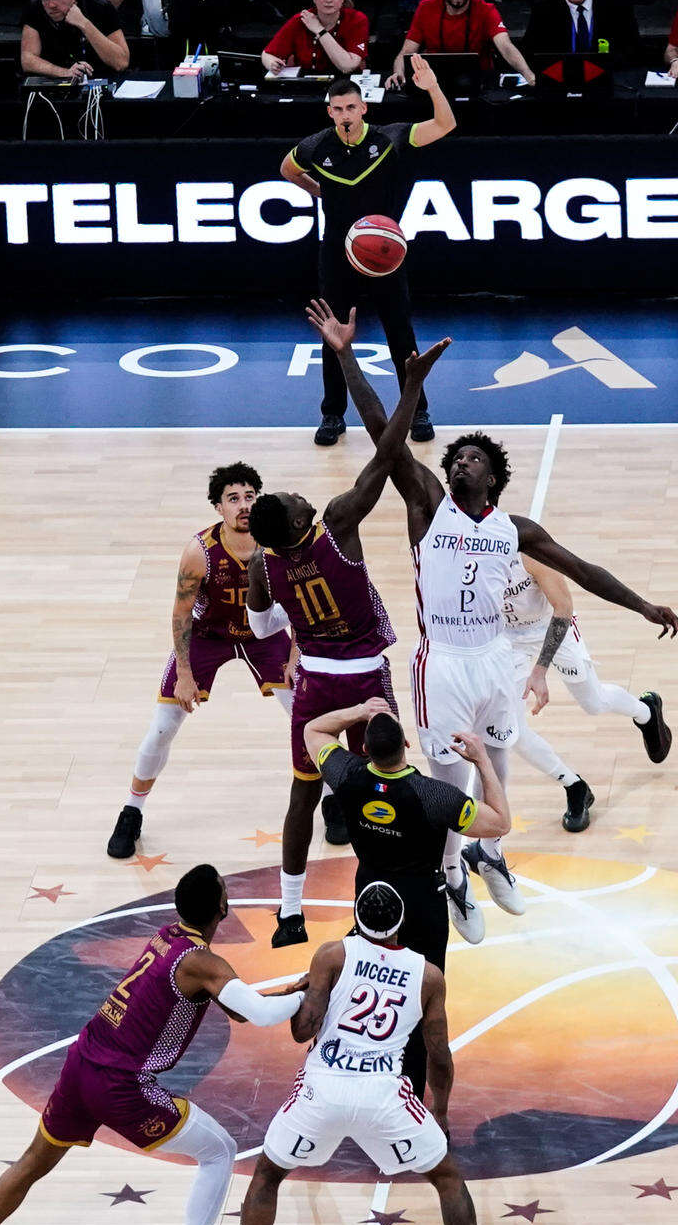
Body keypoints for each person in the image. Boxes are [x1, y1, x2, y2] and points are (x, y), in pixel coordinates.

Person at [319, 305, 678, 944]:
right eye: (454, 456)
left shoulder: (515, 530)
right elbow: (383, 434)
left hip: (492, 657)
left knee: (500, 765)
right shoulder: (430, 506)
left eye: (469, 459)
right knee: (448, 784)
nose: (457, 462)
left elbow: (586, 571)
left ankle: (488, 853)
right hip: (443, 663)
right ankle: (454, 872)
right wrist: (352, 358)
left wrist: (644, 606)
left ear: (492, 475)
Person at [0, 865, 300, 1225]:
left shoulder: (167, 937)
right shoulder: (202, 962)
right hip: (122, 1084)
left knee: (33, 1160)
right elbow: (262, 1017)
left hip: (82, 1064)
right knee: (220, 1151)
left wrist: (285, 992)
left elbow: (242, 1011)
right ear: (223, 907)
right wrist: (308, 994)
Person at [218, 878, 501, 1225]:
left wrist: (303, 991)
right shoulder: (428, 975)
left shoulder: (332, 955)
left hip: (323, 1086)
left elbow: (301, 1031)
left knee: (270, 1174)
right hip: (384, 1092)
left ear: (356, 917)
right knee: (446, 1177)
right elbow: (438, 1055)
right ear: (400, 922)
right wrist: (441, 1111)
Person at [241, 329, 447, 945]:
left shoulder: (263, 565)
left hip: (312, 688)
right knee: (382, 784)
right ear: (302, 519)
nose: (297, 489)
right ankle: (388, 892)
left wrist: (293, 621)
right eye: (291, 495)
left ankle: (290, 913)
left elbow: (260, 629)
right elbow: (388, 455)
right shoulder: (335, 523)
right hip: (363, 676)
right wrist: (408, 385)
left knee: (303, 797)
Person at [108, 464, 295, 858]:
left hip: (265, 634)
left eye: (249, 497)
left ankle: (329, 797)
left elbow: (297, 606)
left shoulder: (278, 542)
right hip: (209, 635)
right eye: (233, 499)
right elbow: (180, 613)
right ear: (218, 508)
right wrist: (185, 673)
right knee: (162, 727)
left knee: (306, 712)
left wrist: (296, 655)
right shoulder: (200, 552)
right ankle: (132, 810)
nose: (244, 506)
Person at [279, 64, 452, 444]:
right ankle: (332, 415)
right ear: (330, 112)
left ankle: (417, 411)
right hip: (338, 254)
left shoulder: (390, 139)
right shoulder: (315, 146)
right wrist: (317, 190)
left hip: (384, 253)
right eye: (338, 109)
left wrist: (433, 86)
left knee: (400, 335)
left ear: (364, 109)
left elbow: (444, 125)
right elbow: (287, 169)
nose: (345, 115)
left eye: (351, 108)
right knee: (333, 334)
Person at [304, 695, 506, 975]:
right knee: (427, 987)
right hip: (422, 902)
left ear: (364, 749)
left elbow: (313, 729)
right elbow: (499, 822)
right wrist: (482, 760)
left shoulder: (345, 774)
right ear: (406, 745)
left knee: (373, 976)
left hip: (370, 895)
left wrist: (361, 710)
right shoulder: (435, 796)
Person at [497, 552, 669, 832]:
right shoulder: (462, 550)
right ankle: (574, 786)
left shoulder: (525, 549)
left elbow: (563, 607)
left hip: (551, 627)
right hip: (507, 639)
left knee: (594, 702)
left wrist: (539, 670)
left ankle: (646, 712)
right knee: (511, 731)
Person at [394, 0, 532, 83]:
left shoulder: (486, 10)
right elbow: (405, 53)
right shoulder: (425, 8)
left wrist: (528, 74)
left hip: (479, 86)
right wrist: (398, 73)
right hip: (434, 84)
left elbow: (506, 47)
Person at [21, 0, 132, 76]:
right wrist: (65, 73)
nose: (51, 5)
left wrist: (84, 24)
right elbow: (28, 60)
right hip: (55, 79)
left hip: (99, 77)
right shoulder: (35, 6)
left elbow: (121, 62)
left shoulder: (100, 7)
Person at [262, 0, 370, 73]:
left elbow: (347, 66)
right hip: (307, 85)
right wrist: (271, 63)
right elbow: (267, 54)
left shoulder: (357, 19)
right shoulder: (302, 19)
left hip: (346, 87)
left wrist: (319, 30)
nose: (328, 0)